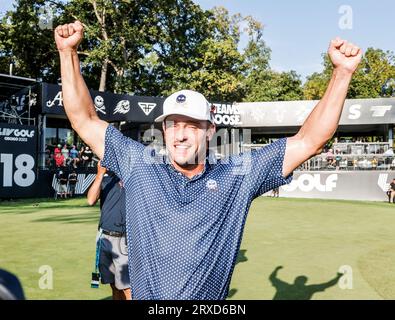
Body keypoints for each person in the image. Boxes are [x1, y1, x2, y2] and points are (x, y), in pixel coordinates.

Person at [55, 20, 361, 299]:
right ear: (163, 129)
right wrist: (68, 54)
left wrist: (342, 73)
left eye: (191, 125)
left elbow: (309, 140)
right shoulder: (138, 164)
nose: (181, 134)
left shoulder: (237, 175)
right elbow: (84, 119)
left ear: (210, 130)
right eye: (173, 124)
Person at [87, 161, 130, 300]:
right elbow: (90, 200)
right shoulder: (105, 180)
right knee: (113, 284)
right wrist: (99, 175)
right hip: (104, 238)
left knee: (127, 287)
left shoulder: (133, 179)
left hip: (124, 240)